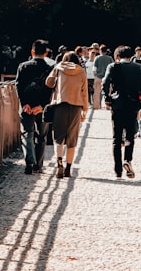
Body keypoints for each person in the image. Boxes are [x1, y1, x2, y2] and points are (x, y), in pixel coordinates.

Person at [102, 45, 141, 178]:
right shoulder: (139, 68)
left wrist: (107, 97)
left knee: (116, 138)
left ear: (117, 56)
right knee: (130, 136)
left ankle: (117, 169)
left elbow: (105, 83)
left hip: (117, 104)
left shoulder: (113, 67)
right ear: (131, 56)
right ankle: (127, 159)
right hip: (132, 105)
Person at [44, 50, 89, 178]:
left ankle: (59, 164)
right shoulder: (81, 71)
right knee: (72, 138)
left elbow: (48, 83)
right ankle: (69, 168)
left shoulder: (58, 68)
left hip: (60, 105)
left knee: (58, 137)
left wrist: (55, 73)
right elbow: (84, 92)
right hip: (76, 107)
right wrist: (85, 110)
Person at [15, 39, 54, 174]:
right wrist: (42, 105)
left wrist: (24, 103)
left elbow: (18, 85)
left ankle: (29, 162)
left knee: (27, 133)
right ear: (46, 53)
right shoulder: (50, 68)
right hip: (42, 107)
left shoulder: (23, 66)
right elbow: (50, 89)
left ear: (32, 51)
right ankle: (38, 164)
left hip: (27, 106)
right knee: (42, 136)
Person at [92, 44, 114, 109]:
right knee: (108, 92)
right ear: (106, 51)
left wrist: (95, 75)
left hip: (98, 77)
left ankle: (97, 106)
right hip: (107, 78)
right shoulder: (110, 58)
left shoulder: (97, 58)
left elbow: (94, 69)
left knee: (97, 93)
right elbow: (113, 67)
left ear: (100, 51)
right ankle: (108, 106)